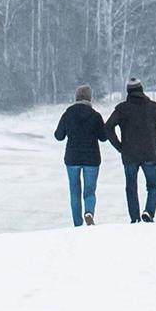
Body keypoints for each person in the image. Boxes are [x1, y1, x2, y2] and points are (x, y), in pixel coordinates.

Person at [105, 78, 156, 223]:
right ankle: (149, 212)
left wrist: (120, 146)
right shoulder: (153, 107)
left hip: (129, 154)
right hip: (150, 153)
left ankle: (135, 218)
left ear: (128, 92)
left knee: (131, 187)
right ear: (142, 90)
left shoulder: (122, 109)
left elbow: (108, 127)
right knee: (153, 186)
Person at [54, 84, 107, 226]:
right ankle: (89, 212)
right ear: (90, 98)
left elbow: (59, 136)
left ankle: (77, 223)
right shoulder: (95, 115)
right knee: (90, 191)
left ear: (76, 97)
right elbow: (103, 137)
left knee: (74, 191)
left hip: (72, 158)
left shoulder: (68, 114)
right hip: (92, 158)